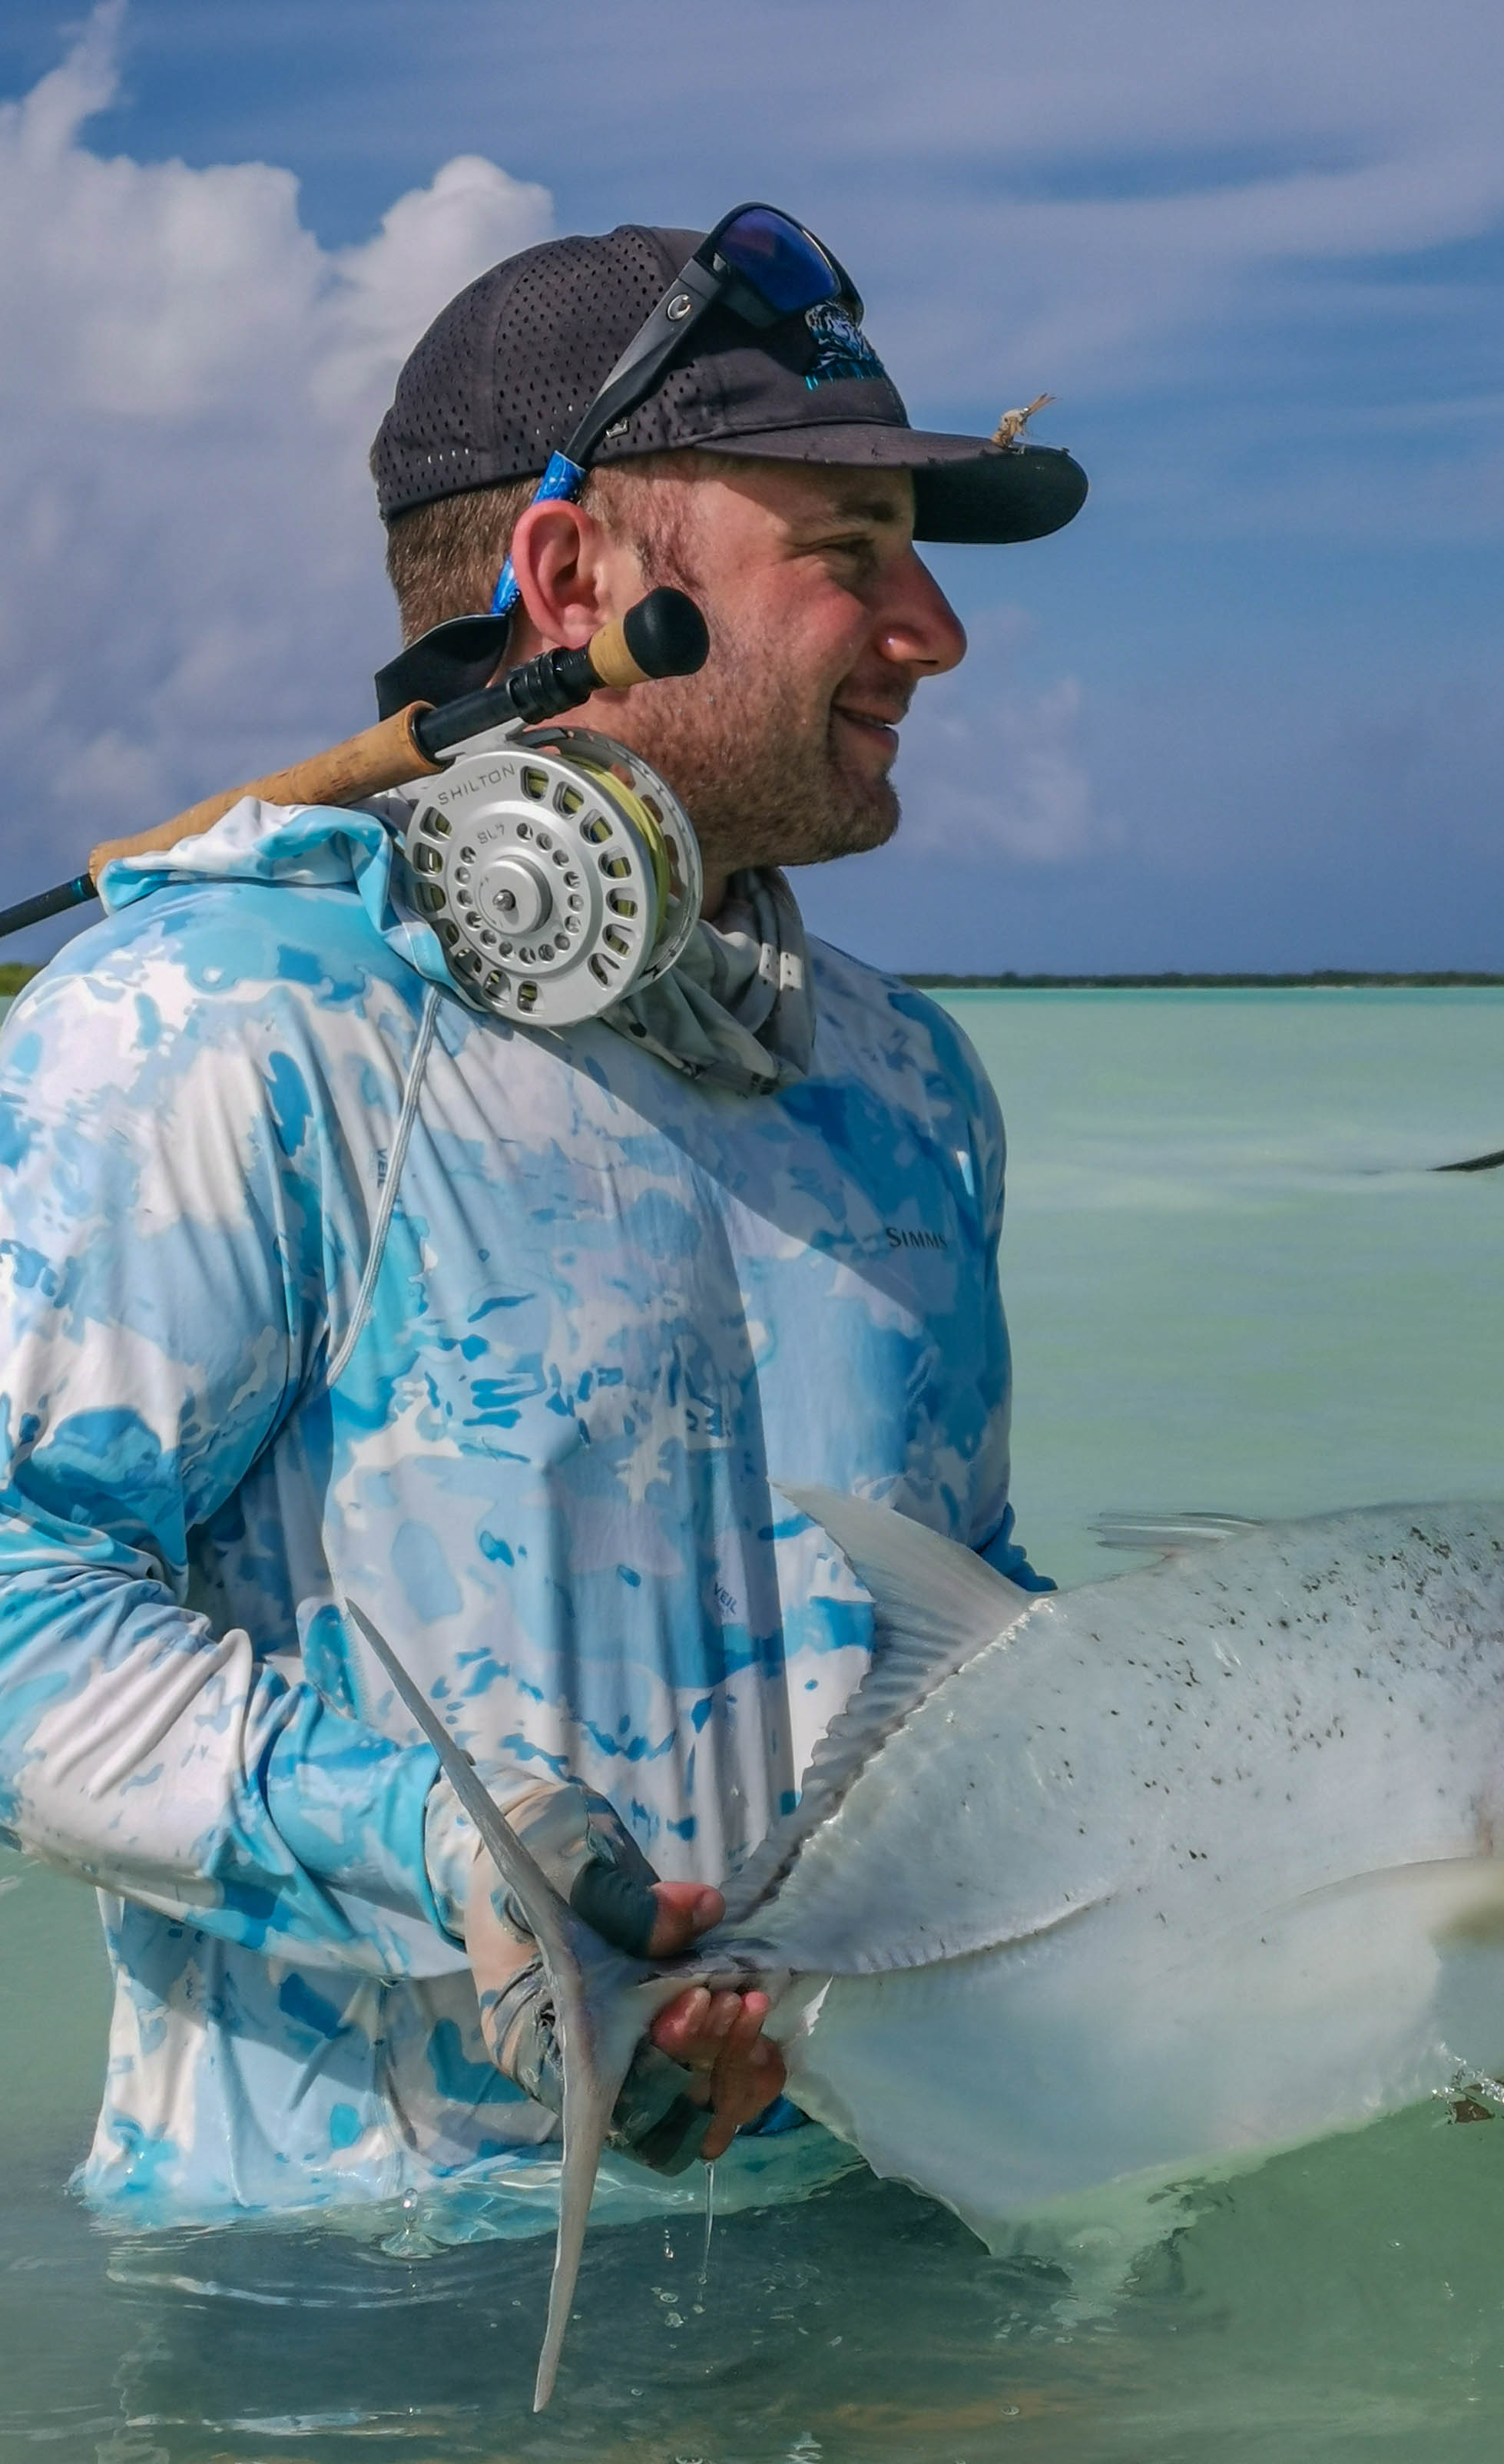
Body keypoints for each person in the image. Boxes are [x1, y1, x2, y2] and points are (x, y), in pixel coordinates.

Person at [0, 210, 1085, 2219]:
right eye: (848, 557)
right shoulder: (208, 1032)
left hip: (893, 2229)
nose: (934, 627)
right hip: (364, 2317)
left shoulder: (911, 1086)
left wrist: (1376, 1922)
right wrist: (456, 1852)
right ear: (571, 580)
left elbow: (967, 1634)